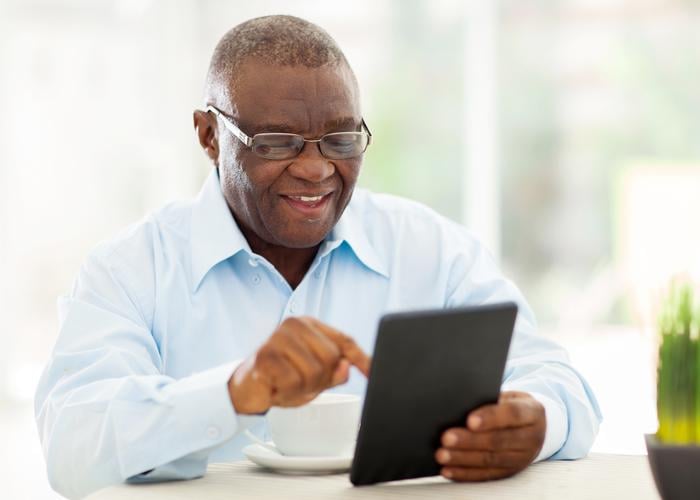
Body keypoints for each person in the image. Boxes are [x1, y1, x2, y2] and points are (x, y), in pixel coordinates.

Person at [35, 14, 601, 499]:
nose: (316, 168)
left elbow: (560, 381)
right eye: (276, 143)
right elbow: (73, 444)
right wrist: (235, 391)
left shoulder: (431, 250)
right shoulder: (132, 268)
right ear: (209, 136)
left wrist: (536, 421)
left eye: (342, 139)